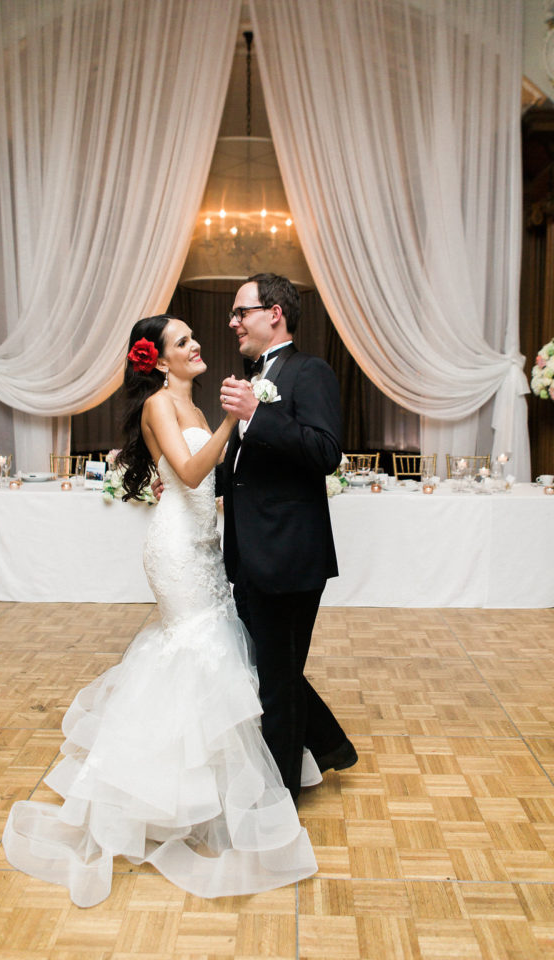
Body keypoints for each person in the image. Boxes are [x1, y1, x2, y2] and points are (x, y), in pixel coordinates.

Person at [2, 314, 318, 908]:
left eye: (193, 338)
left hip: (204, 544)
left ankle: (203, 790)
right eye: (182, 342)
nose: (196, 345)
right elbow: (193, 472)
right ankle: (155, 792)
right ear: (160, 360)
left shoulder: (191, 406)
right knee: (196, 649)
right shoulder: (160, 405)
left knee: (213, 650)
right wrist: (236, 419)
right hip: (174, 550)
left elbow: (211, 481)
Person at [219, 274, 358, 802]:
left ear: (274, 312)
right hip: (250, 555)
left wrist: (258, 414)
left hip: (288, 554)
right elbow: (242, 469)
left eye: (241, 312)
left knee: (277, 681)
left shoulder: (310, 371)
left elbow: (325, 451)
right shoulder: (252, 377)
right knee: (273, 671)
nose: (233, 322)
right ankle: (329, 745)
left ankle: (278, 801)